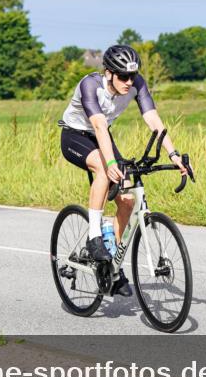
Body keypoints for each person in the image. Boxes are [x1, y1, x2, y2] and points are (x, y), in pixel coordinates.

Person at [58, 44, 188, 297]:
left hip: (103, 136)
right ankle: (95, 236)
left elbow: (154, 121)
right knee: (103, 170)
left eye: (132, 75)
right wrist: (110, 164)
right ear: (108, 73)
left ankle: (111, 267)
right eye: (123, 76)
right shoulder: (90, 85)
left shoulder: (136, 83)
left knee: (128, 200)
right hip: (76, 136)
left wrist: (173, 153)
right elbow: (98, 126)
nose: (129, 81)